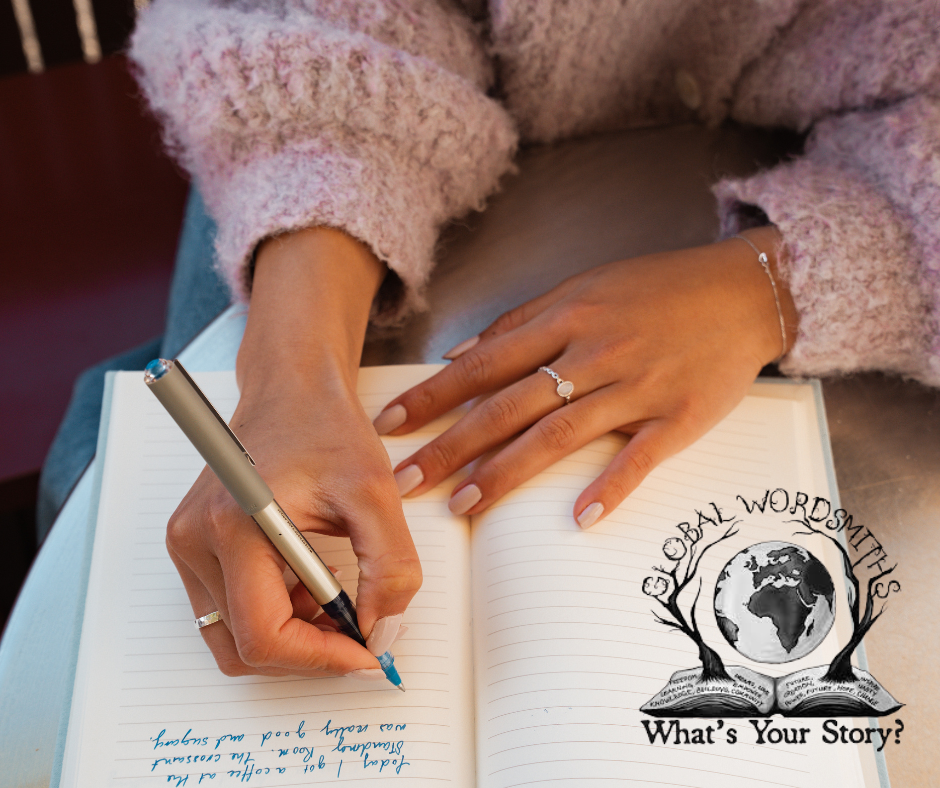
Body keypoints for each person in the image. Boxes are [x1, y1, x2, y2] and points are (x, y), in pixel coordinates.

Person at [122, 0, 939, 681]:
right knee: (93, 465)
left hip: (884, 170)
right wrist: (289, 373)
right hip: (306, 95)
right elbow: (300, 27)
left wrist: (777, 283)